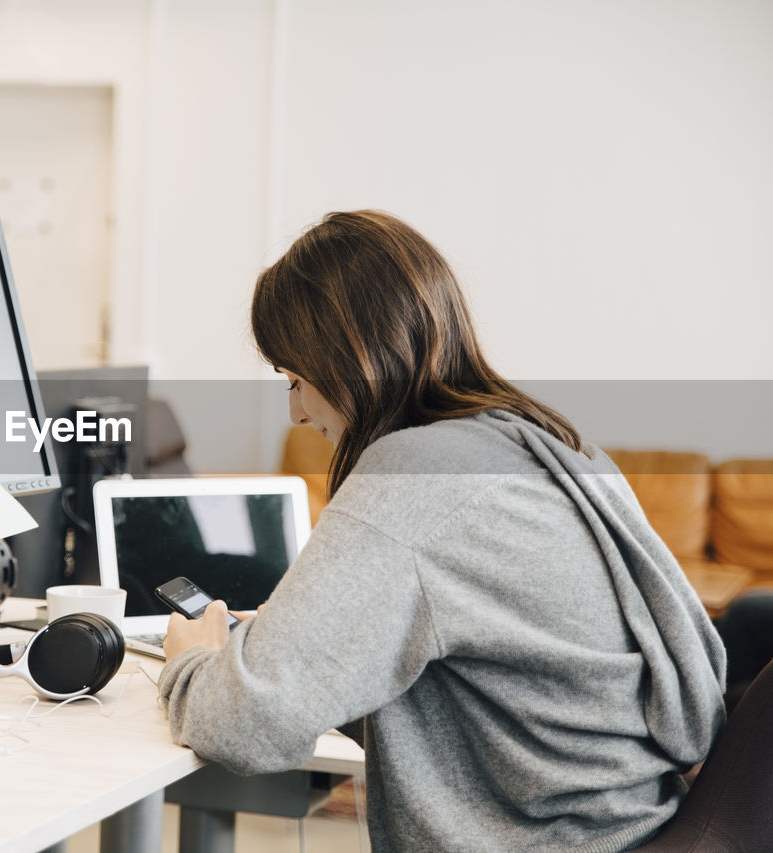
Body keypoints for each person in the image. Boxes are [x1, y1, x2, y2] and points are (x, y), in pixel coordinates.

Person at [158, 211, 726, 851]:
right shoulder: (548, 442)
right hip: (629, 825)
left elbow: (244, 724)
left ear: (348, 359)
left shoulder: (417, 473)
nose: (295, 412)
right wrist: (318, 638)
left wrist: (192, 663)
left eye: (296, 380)